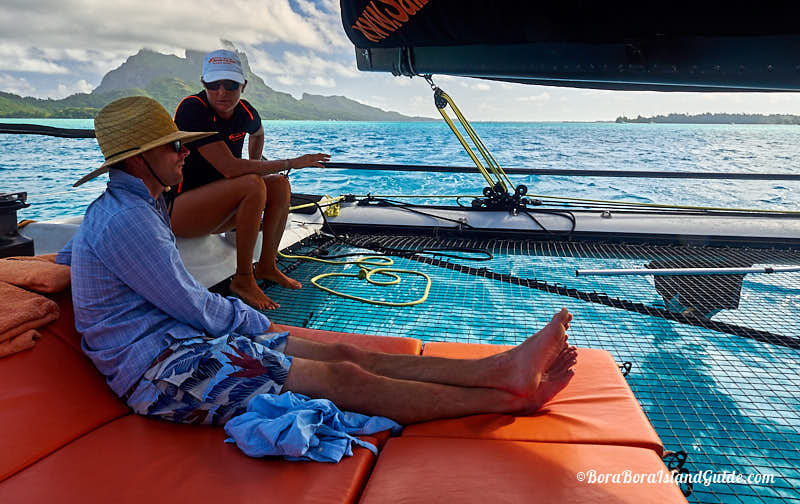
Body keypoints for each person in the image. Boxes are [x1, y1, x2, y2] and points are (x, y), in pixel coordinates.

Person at [62, 96, 577, 429]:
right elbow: (192, 304)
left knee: (347, 353)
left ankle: (498, 368)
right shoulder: (125, 218)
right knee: (347, 380)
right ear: (137, 159)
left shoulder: (135, 208)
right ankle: (509, 399)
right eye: (173, 146)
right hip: (162, 373)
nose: (183, 155)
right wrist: (258, 324)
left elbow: (87, 258)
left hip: (185, 344)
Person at [168, 49, 330, 311]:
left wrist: (260, 163)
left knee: (278, 184)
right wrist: (291, 162)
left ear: (243, 85)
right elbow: (230, 168)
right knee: (253, 182)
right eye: (213, 84)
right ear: (203, 84)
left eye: (231, 84)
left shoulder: (246, 111)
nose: (222, 92)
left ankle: (267, 265)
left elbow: (258, 133)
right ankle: (243, 278)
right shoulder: (192, 109)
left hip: (219, 206)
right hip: (179, 211)